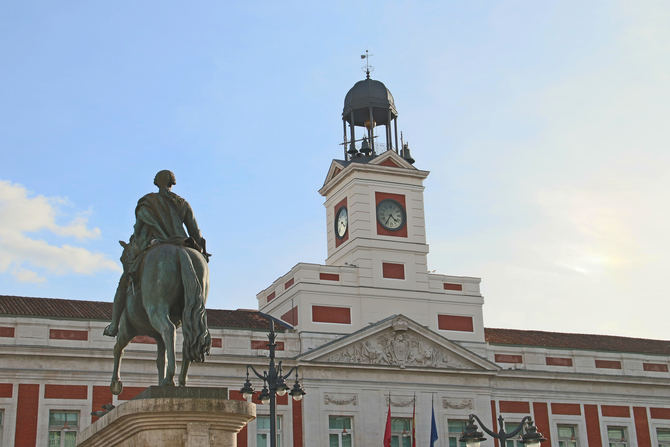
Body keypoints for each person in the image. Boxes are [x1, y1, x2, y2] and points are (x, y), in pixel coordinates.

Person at [103, 170, 207, 337]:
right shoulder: (183, 203)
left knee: (124, 280)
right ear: (172, 183)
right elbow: (195, 232)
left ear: (156, 183)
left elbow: (138, 230)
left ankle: (114, 325)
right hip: (183, 243)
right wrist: (202, 252)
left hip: (155, 246)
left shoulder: (147, 202)